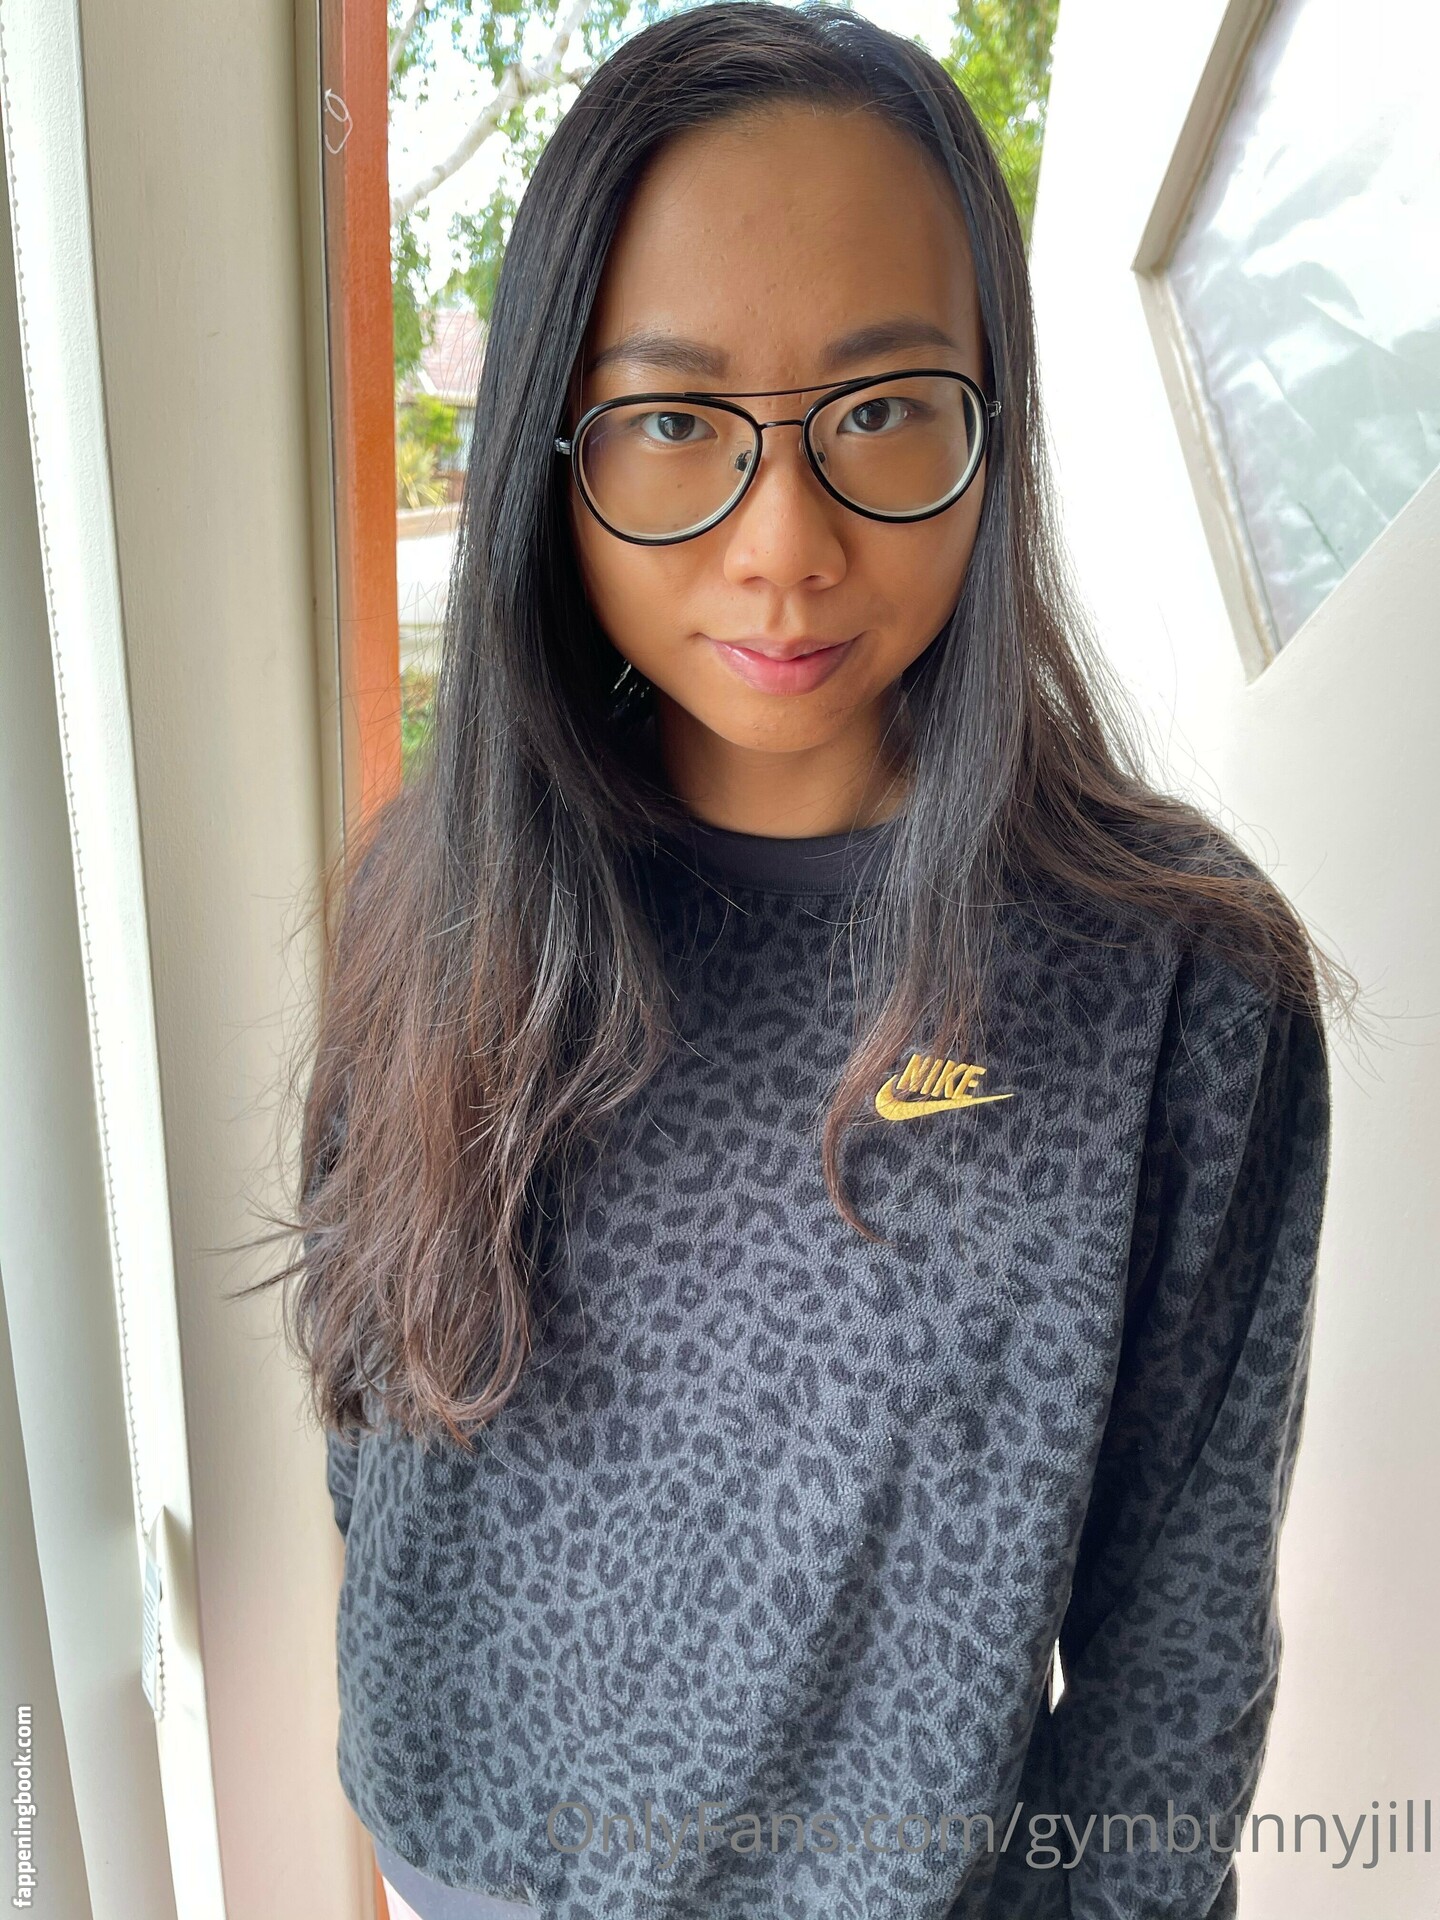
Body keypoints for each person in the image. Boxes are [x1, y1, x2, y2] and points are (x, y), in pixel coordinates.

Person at [274, 5, 1348, 1914]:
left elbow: (1174, 1653)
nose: (785, 546)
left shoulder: (1176, 987)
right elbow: (382, 1407)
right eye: (675, 420)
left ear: (991, 419)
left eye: (878, 411)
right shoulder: (436, 899)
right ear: (555, 450)